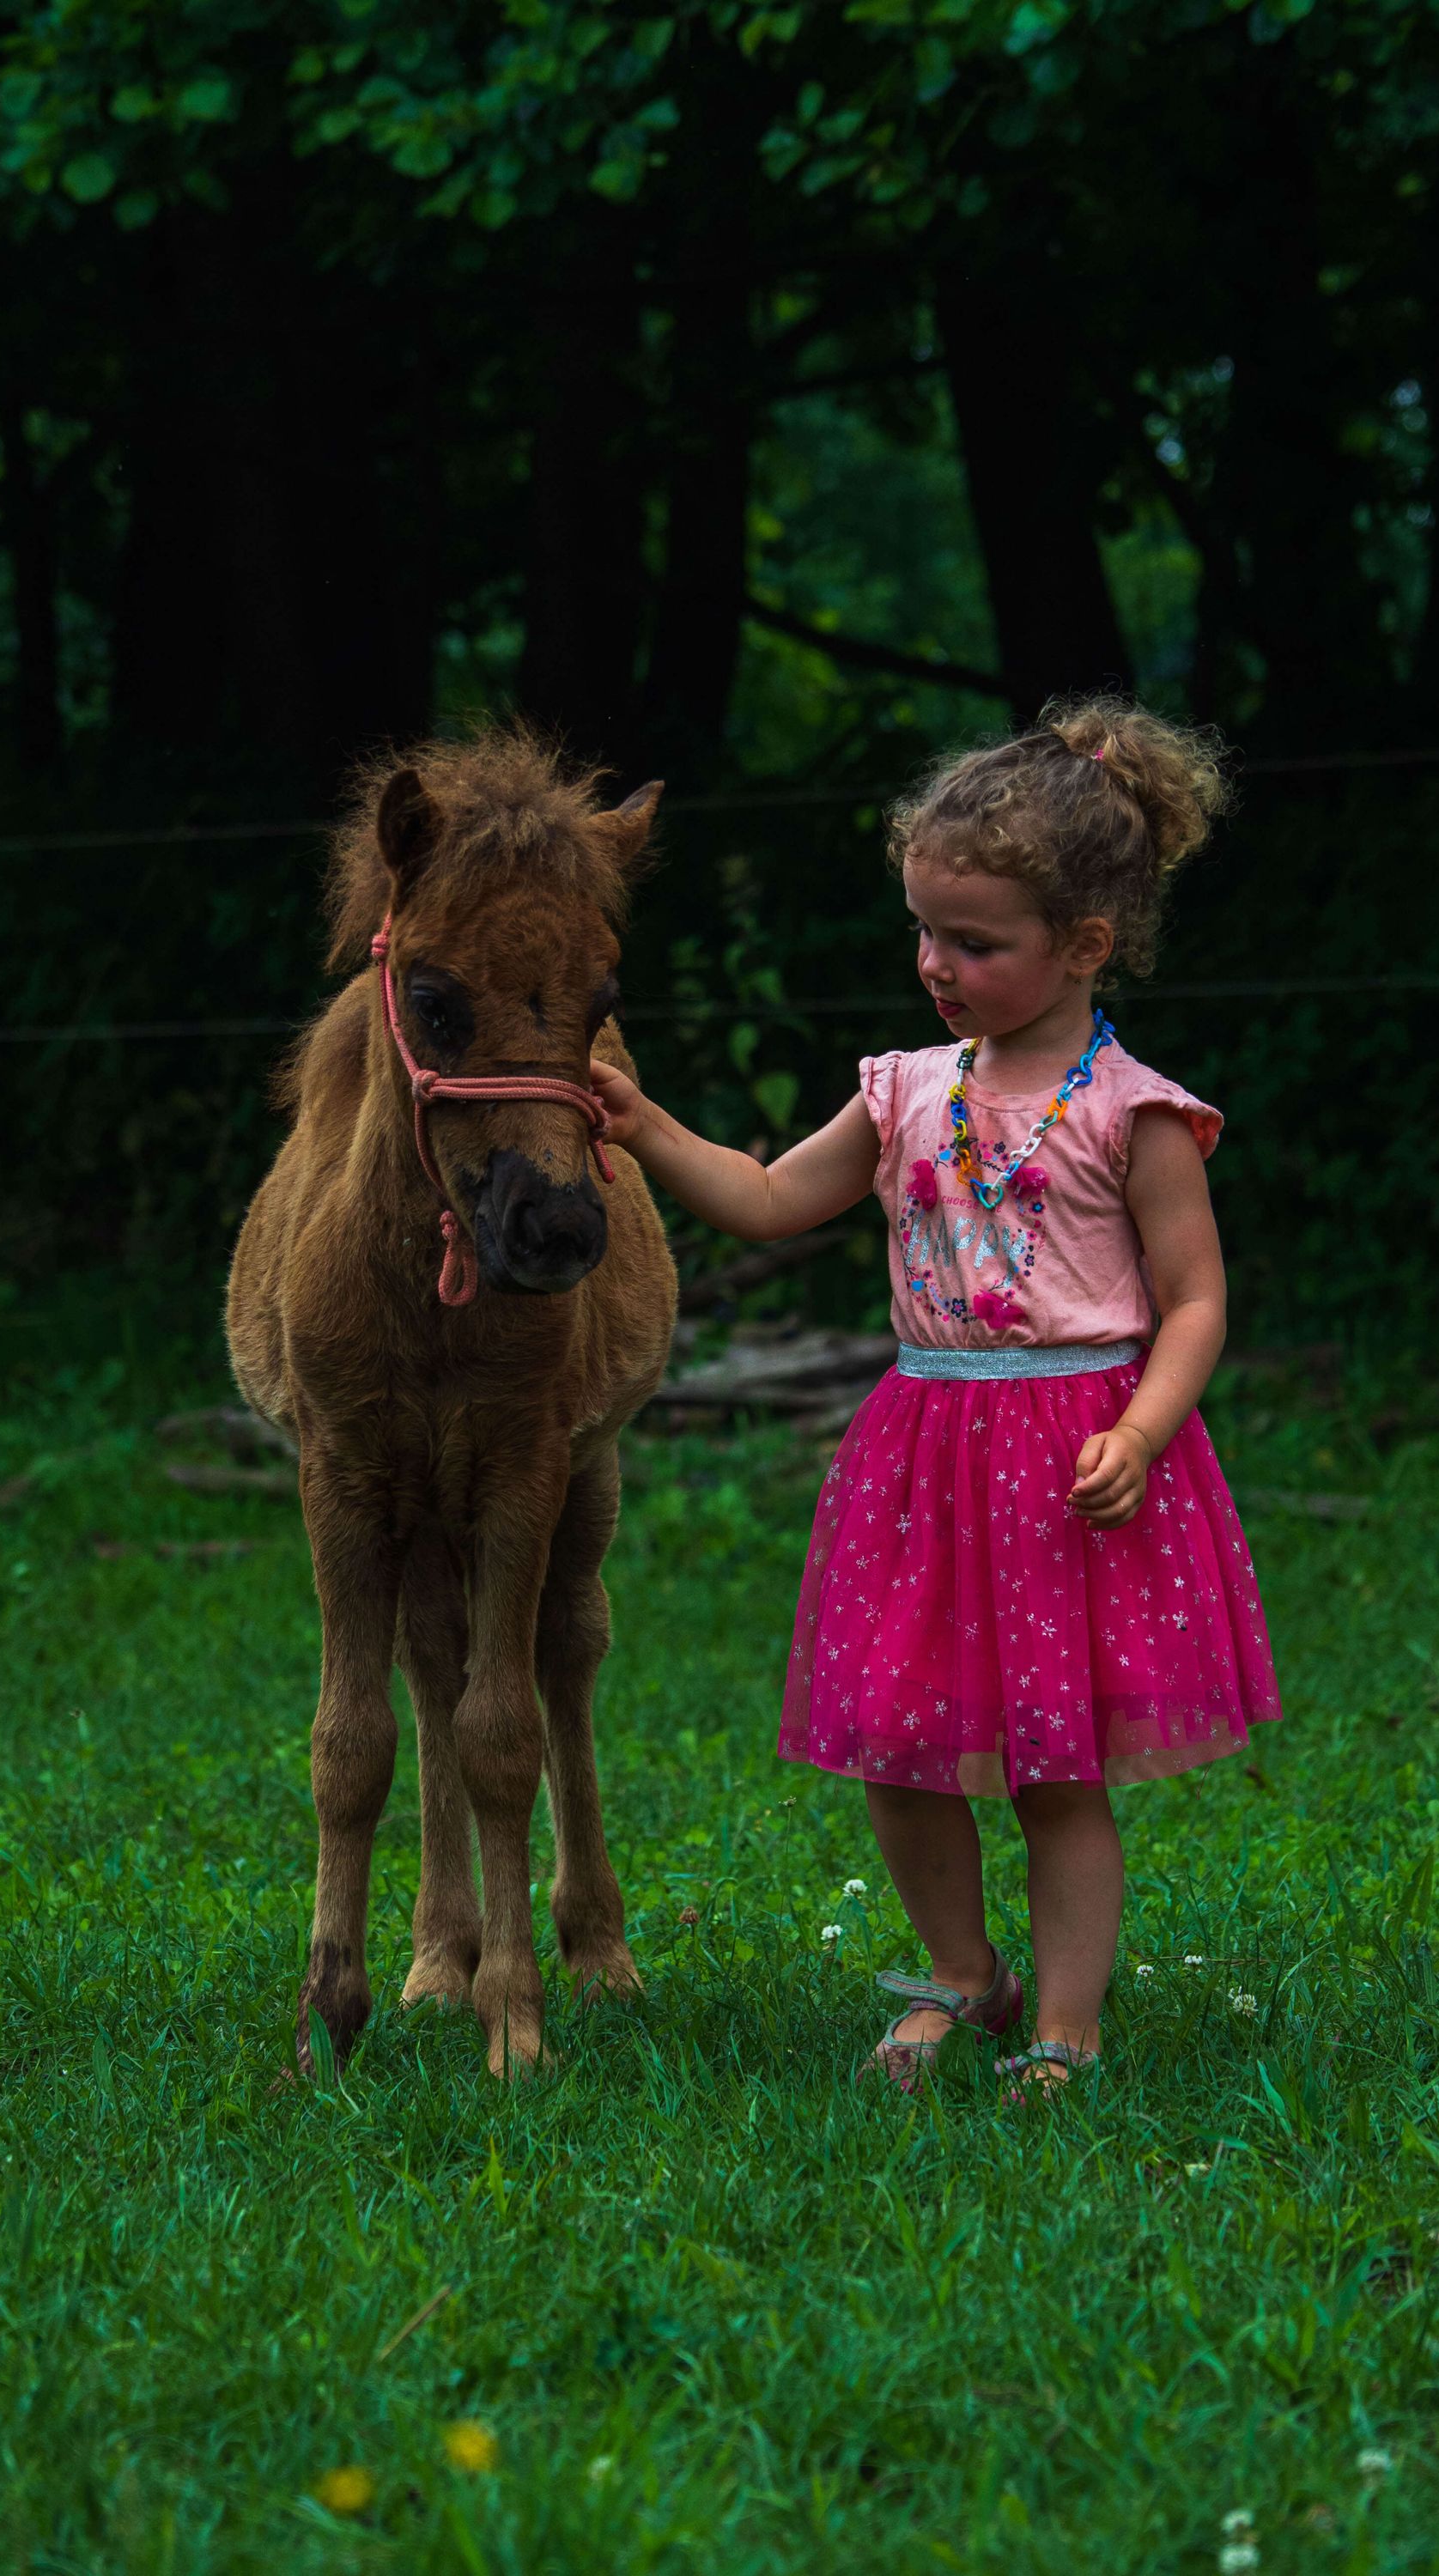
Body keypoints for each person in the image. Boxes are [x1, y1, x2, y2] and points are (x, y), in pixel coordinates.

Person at [590, 699, 1282, 2096]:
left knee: (1054, 1765)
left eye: (976, 943)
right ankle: (964, 1972)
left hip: (1074, 1459)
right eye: (925, 933)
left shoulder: (1133, 1114)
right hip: (924, 1452)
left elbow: (1196, 1298)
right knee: (900, 1746)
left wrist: (1142, 1431)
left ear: (1084, 945)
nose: (938, 967)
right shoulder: (905, 1089)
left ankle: (1066, 2028)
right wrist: (651, 1128)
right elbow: (778, 1199)